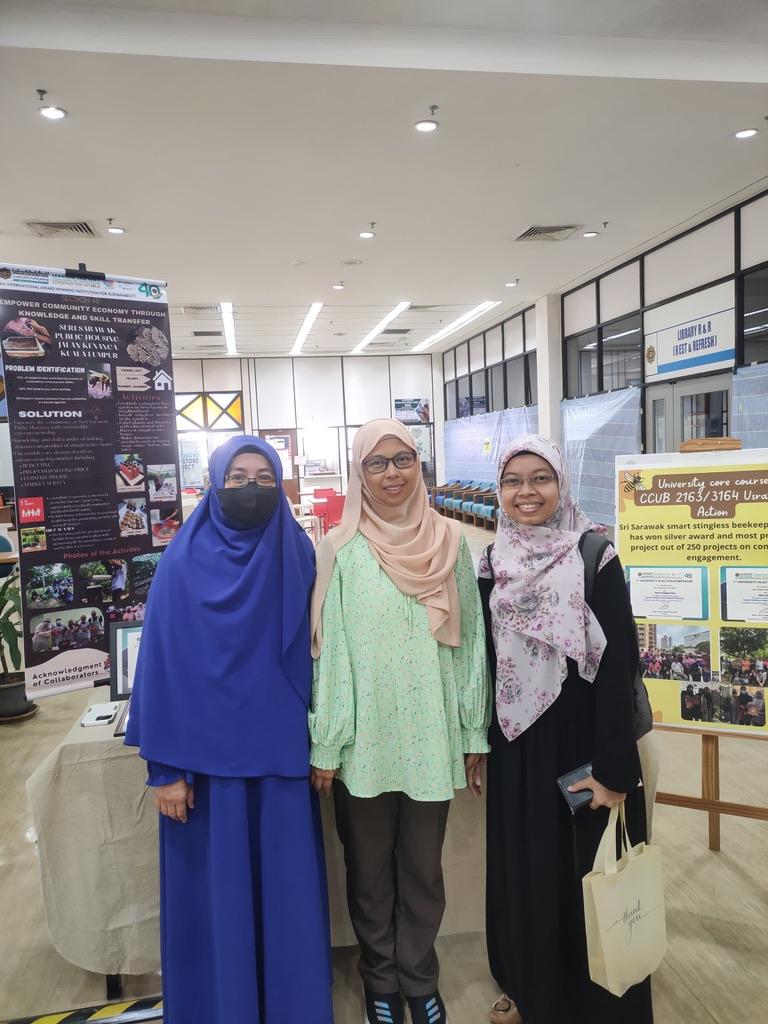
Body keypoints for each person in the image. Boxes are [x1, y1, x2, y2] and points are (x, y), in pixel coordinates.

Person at [126, 435, 333, 1024]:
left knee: (285, 902)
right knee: (216, 906)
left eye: (264, 478)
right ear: (214, 483)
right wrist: (166, 770)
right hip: (204, 777)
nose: (250, 488)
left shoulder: (299, 552)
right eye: (238, 476)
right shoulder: (181, 563)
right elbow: (161, 668)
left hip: (282, 767)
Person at [309, 418, 490, 1024]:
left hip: (432, 740)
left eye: (402, 460)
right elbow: (329, 651)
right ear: (359, 473)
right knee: (368, 872)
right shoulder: (340, 549)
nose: (391, 474)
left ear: (420, 466)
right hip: (365, 744)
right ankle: (379, 980)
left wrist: (471, 732)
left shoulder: (453, 542)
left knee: (422, 869)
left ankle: (420, 977)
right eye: (376, 464)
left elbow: (468, 647)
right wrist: (328, 742)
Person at [478, 435, 651, 1024]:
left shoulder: (593, 555)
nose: (527, 493)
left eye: (540, 478)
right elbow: (485, 662)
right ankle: (533, 993)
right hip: (516, 748)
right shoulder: (491, 563)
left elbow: (617, 668)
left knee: (585, 870)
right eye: (513, 481)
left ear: (561, 483)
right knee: (526, 872)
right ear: (499, 490)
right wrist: (482, 742)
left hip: (582, 749)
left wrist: (614, 771)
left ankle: (593, 1006)